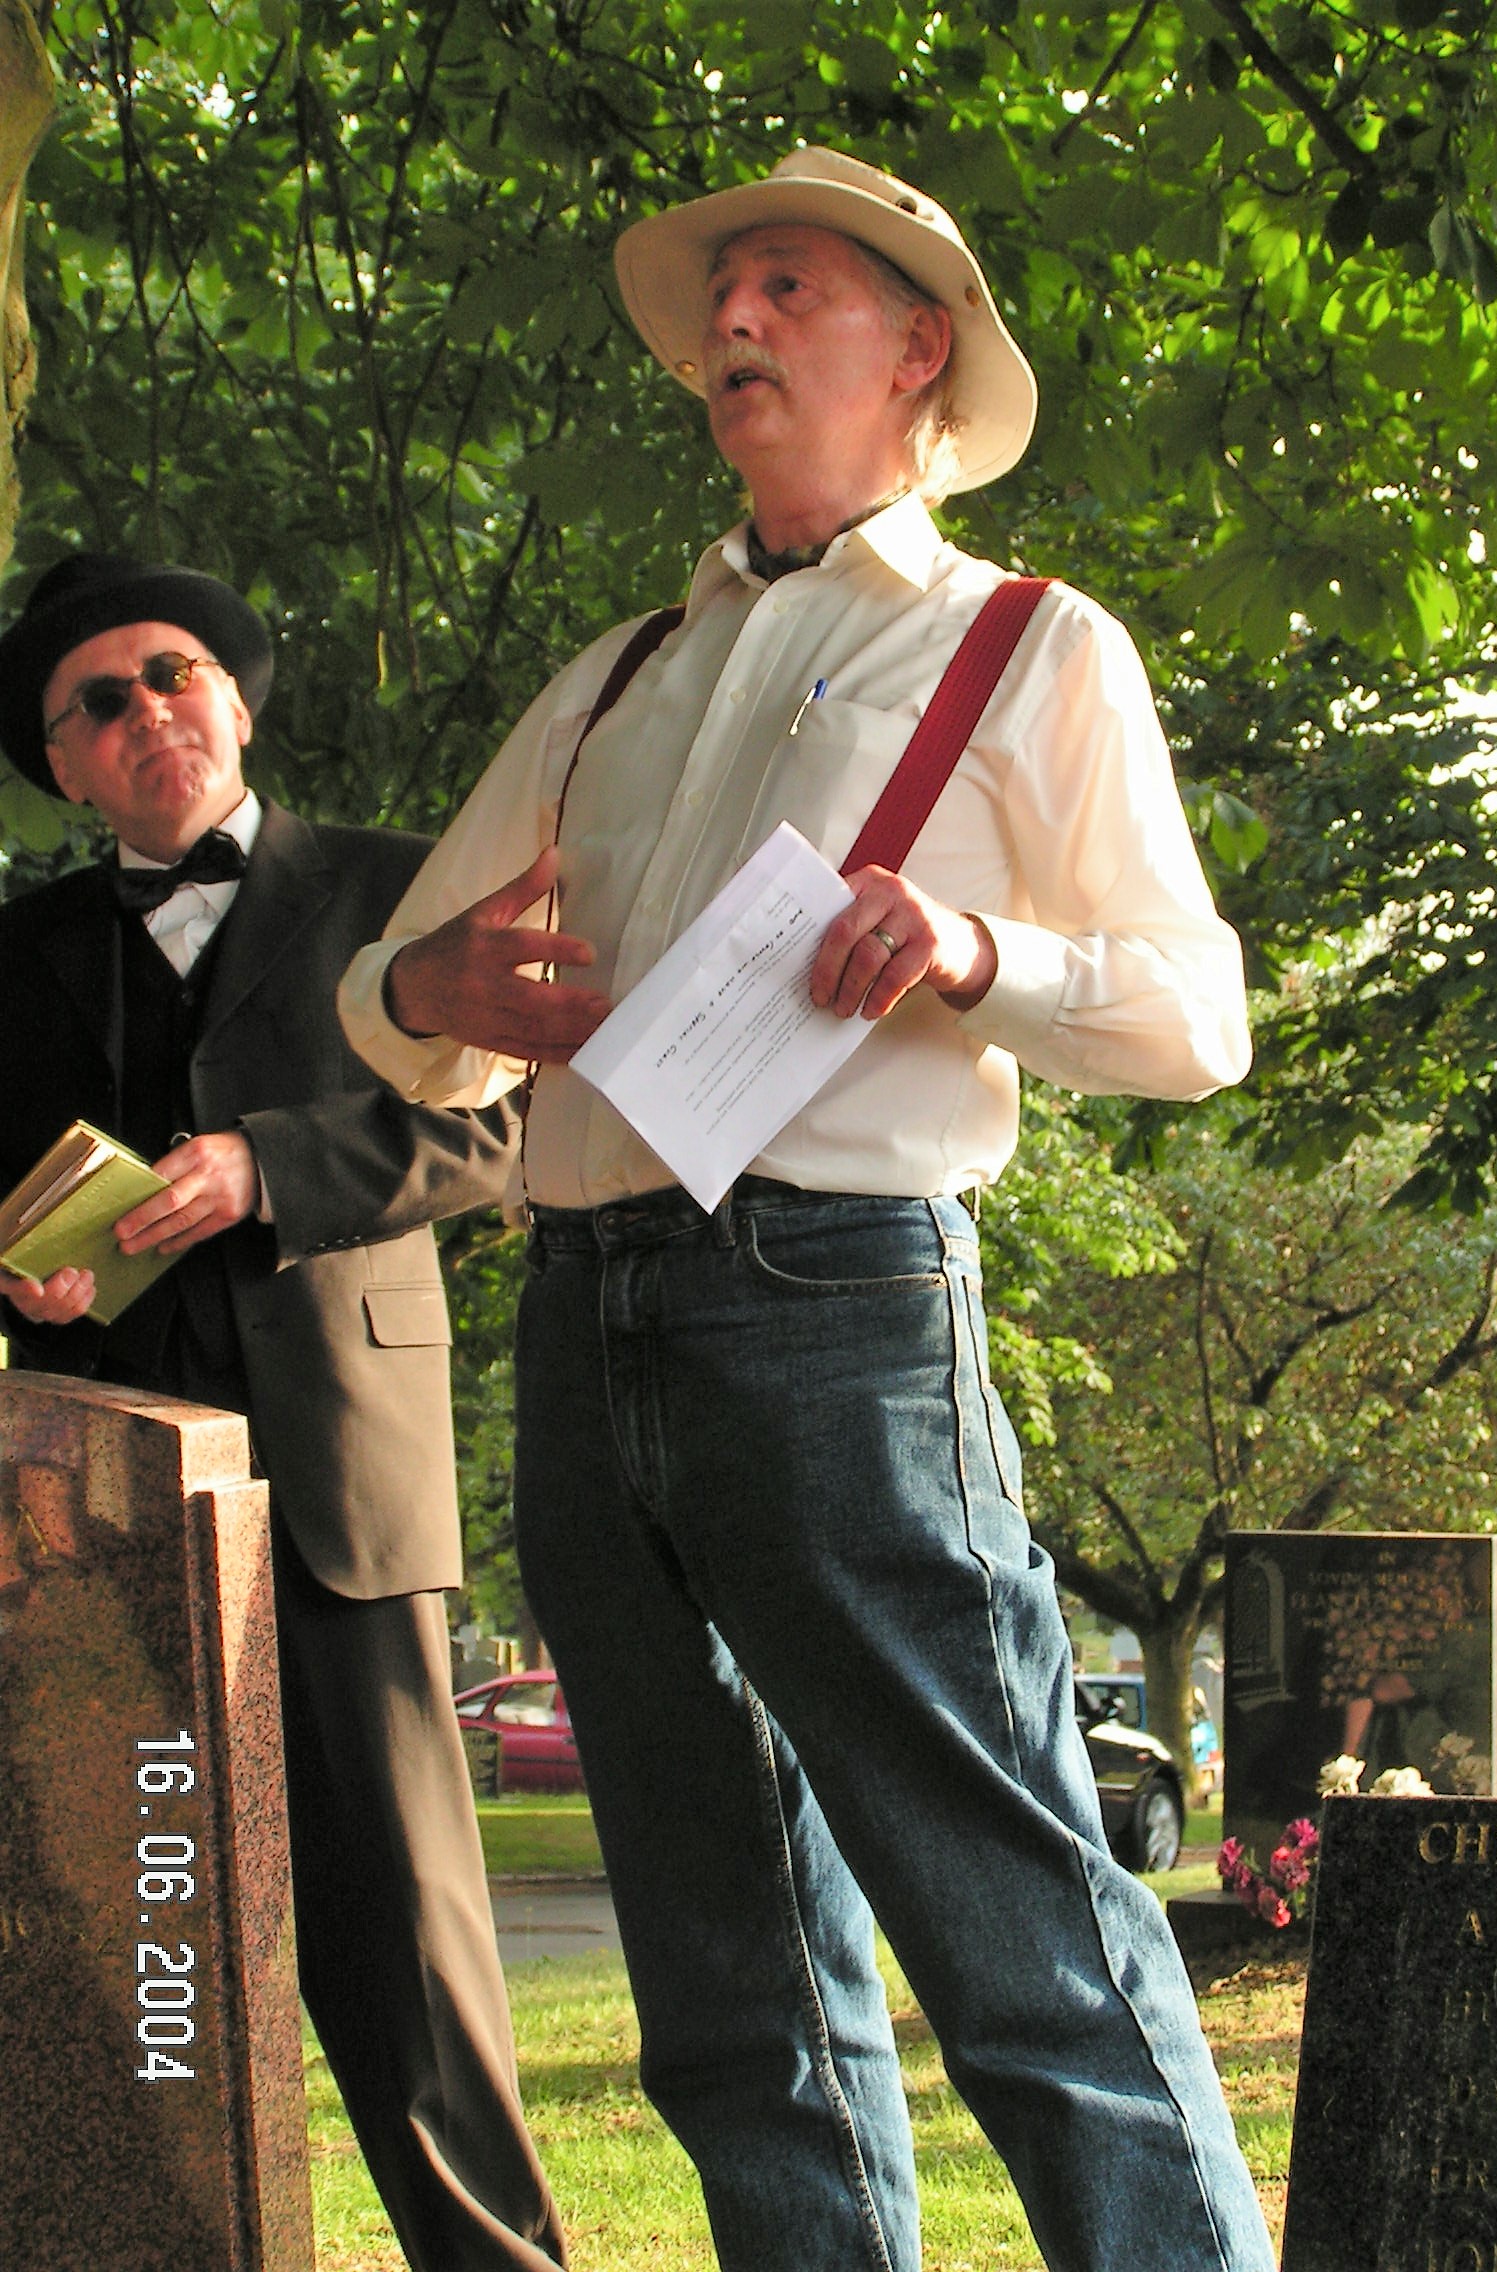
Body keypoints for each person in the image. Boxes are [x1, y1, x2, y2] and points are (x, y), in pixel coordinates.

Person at [339, 147, 1274, 2272]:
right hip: (582, 1313)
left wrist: (976, 954)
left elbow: (1198, 1012)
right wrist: (431, 988)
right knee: (726, 1987)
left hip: (839, 1314)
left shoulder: (1027, 645)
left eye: (785, 289)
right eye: (719, 302)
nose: (731, 328)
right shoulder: (611, 676)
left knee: (1020, 1929)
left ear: (916, 350)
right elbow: (401, 1005)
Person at [0, 553, 566, 2272]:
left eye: (170, 673)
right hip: (82, 1498)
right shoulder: (11, 956)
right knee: (114, 1924)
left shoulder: (409, 897)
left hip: (341, 1469)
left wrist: (272, 1166)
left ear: (236, 697)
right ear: (67, 764)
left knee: (401, 1944)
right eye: (97, 703)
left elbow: (509, 1130)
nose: (143, 711)